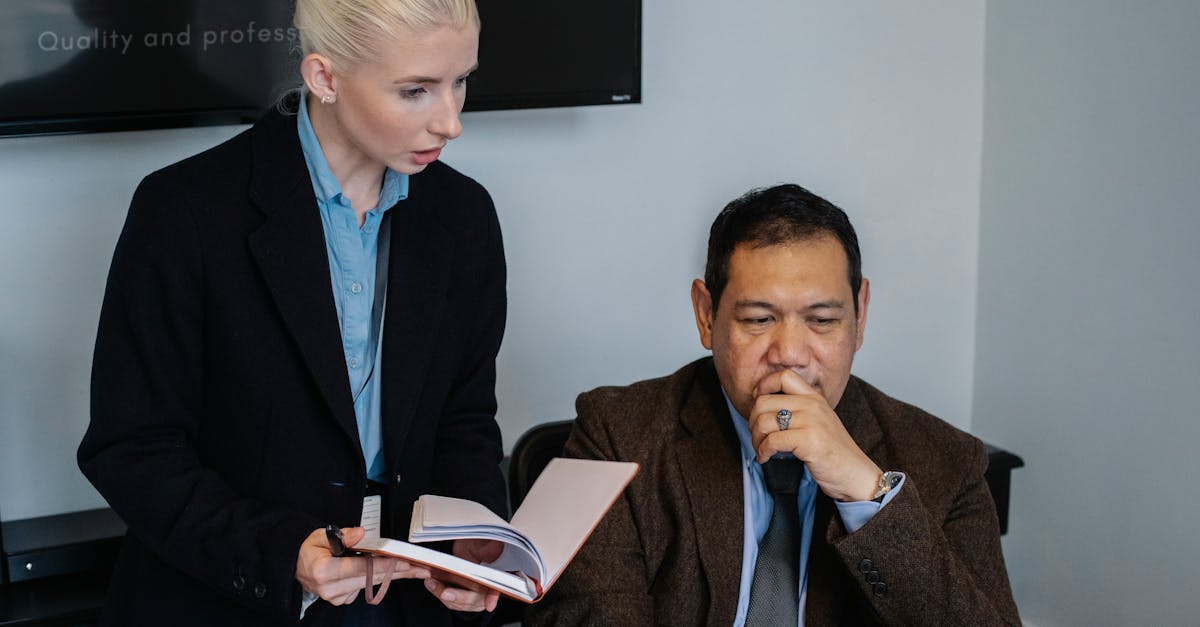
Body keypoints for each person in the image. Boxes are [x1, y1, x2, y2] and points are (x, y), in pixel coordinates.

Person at [76, 1, 507, 625]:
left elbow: (465, 422)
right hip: (231, 598)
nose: (451, 121)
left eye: (460, 81)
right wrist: (281, 552)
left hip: (406, 600)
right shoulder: (183, 210)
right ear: (324, 78)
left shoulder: (464, 216)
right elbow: (132, 448)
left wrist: (474, 546)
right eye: (416, 90)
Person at [526, 184, 1022, 625]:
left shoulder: (947, 461)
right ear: (706, 316)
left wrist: (866, 494)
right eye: (760, 319)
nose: (789, 355)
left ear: (861, 314)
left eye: (822, 320)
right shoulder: (617, 437)